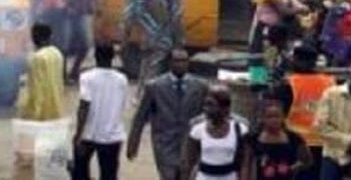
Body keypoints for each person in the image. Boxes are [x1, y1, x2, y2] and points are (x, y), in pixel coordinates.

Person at [128, 49, 209, 180]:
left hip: (190, 143)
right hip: (165, 144)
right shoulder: (155, 86)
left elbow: (207, 114)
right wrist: (133, 142)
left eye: (184, 61)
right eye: (177, 61)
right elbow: (140, 117)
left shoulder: (200, 86)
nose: (181, 64)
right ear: (170, 63)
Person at [122, 0, 183, 85]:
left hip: (143, 34)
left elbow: (129, 12)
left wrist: (125, 37)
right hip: (164, 36)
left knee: (145, 66)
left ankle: (141, 95)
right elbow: (177, 14)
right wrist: (179, 40)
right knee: (156, 71)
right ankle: (149, 95)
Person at [74, 42, 129, 180]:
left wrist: (78, 134)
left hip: (89, 134)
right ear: (113, 57)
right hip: (112, 136)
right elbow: (122, 106)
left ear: (95, 56)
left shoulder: (86, 77)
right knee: (109, 175)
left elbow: (84, 106)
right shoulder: (122, 79)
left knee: (80, 172)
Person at [182, 85, 251, 180]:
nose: (205, 108)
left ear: (224, 107)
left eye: (210, 104)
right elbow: (188, 163)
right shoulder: (197, 130)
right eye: (205, 104)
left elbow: (245, 163)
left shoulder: (240, 129)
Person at [249, 98, 312, 180]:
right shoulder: (254, 139)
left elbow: (307, 161)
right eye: (269, 117)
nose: (274, 120)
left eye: (277, 116)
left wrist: (291, 169)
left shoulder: (294, 138)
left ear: (283, 117)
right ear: (263, 118)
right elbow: (246, 165)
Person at [16, 23, 65, 122]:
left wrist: (32, 114)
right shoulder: (57, 53)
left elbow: (37, 89)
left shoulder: (37, 58)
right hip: (56, 109)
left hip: (42, 113)